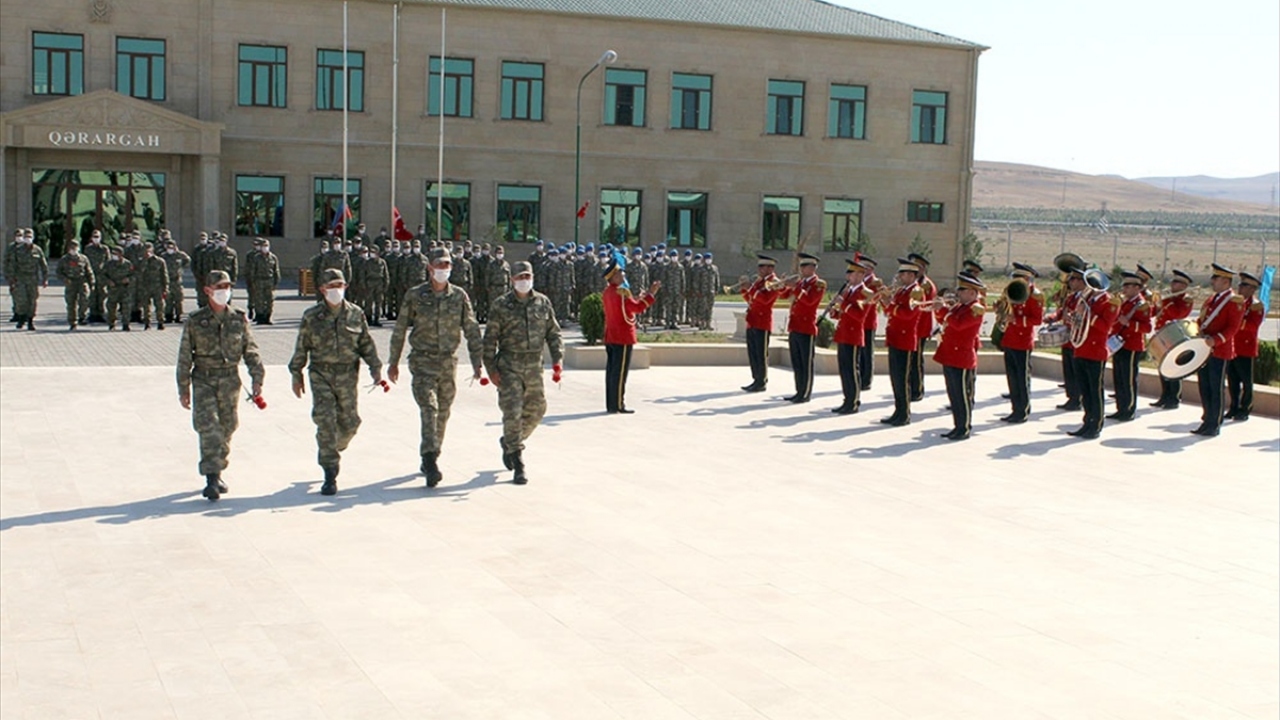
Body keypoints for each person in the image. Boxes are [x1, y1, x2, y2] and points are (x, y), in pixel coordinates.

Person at [388, 249, 484, 487]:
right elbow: (400, 328)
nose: (444, 269)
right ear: (430, 268)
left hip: (448, 363)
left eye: (447, 264)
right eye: (439, 265)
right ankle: (430, 459)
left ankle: (432, 452)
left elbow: (471, 329)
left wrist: (477, 362)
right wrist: (393, 362)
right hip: (422, 361)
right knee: (429, 408)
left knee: (443, 412)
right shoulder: (415, 295)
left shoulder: (459, 296)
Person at [288, 269, 383, 495]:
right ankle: (330, 472)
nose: (336, 290)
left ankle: (333, 446)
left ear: (345, 287)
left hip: (347, 375)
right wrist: (296, 373)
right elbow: (302, 346)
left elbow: (365, 343)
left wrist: (376, 368)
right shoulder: (312, 316)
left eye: (339, 285)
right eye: (331, 286)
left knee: (351, 423)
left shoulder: (355, 313)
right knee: (326, 421)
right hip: (321, 374)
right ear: (322, 290)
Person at [176, 270, 264, 501]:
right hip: (204, 379)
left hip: (230, 380)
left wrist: (257, 378)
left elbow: (250, 350)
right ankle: (211, 478)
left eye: (227, 287)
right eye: (219, 287)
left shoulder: (238, 318)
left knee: (228, 426)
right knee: (209, 427)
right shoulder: (196, 320)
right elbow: (185, 356)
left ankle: (218, 468)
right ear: (208, 291)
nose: (224, 291)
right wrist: (183, 388)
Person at [482, 262, 564, 485]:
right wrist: (490, 369)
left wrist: (557, 359)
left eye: (527, 276)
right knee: (512, 411)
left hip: (534, 366)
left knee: (537, 409)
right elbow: (489, 340)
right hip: (509, 365)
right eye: (520, 277)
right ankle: (518, 461)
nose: (524, 280)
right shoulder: (501, 305)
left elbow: (553, 333)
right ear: (512, 280)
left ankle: (509, 441)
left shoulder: (542, 302)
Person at [1192, 263, 1245, 437]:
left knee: (1216, 387)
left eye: (1216, 278)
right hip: (1205, 349)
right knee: (1204, 386)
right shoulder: (1211, 299)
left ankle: (1214, 423)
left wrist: (1215, 340)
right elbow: (1202, 320)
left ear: (1225, 281)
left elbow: (1233, 328)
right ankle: (1207, 419)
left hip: (1220, 350)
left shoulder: (1234, 301)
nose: (1212, 281)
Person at [602, 258, 660, 414]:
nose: (623, 275)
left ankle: (611, 404)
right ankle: (618, 405)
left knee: (611, 372)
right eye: (620, 272)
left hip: (611, 336)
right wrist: (650, 294)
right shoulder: (622, 293)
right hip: (622, 337)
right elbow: (637, 308)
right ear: (614, 276)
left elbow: (627, 308)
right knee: (620, 373)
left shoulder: (607, 292)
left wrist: (636, 298)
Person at [932, 273, 987, 440]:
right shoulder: (960, 307)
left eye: (962, 291)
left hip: (962, 355)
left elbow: (959, 325)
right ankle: (957, 426)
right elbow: (944, 321)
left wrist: (944, 310)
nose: (959, 293)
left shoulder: (975, 309)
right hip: (950, 353)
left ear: (972, 293)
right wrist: (938, 310)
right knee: (953, 394)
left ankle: (964, 427)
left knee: (962, 395)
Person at [1066, 268, 1118, 439]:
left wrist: (1088, 314)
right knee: (1085, 390)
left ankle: (1096, 424)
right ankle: (1087, 421)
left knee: (1095, 390)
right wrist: (1074, 318)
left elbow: (1105, 326)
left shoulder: (1110, 302)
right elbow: (1079, 320)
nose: (1091, 287)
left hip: (1096, 350)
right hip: (1081, 348)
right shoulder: (1086, 299)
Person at [878, 258, 925, 426]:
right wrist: (885, 301)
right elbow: (891, 312)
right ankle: (898, 411)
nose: (900, 277)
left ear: (911, 275)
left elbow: (908, 315)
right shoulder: (901, 291)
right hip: (895, 337)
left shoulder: (916, 292)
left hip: (905, 338)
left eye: (903, 274)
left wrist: (890, 306)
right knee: (895, 378)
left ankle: (904, 414)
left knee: (902, 379)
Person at [995, 263, 1044, 423]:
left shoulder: (1035, 296)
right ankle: (1015, 409)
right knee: (1012, 377)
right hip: (1010, 339)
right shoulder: (1011, 291)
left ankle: (1022, 410)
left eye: (1020, 278)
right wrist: (1000, 309)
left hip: (1023, 341)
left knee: (1022, 378)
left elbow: (1037, 320)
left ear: (1028, 279)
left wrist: (1016, 320)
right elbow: (1006, 307)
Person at [778, 252, 827, 403]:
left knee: (806, 363)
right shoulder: (801, 283)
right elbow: (783, 295)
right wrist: (782, 285)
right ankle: (798, 391)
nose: (801, 269)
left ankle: (805, 393)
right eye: (801, 266)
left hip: (806, 327)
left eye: (805, 266)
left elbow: (810, 301)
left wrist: (795, 288)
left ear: (813, 268)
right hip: (795, 326)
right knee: (797, 362)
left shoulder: (818, 284)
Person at [828, 258, 875, 414]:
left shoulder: (866, 293)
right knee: (844, 369)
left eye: (853, 274)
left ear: (861, 275)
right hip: (843, 333)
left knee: (852, 370)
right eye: (849, 274)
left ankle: (853, 401)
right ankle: (847, 399)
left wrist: (843, 304)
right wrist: (834, 311)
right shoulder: (849, 290)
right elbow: (844, 313)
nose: (849, 277)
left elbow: (860, 316)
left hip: (853, 334)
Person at [1107, 272, 1152, 421]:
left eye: (1128, 286)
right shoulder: (1125, 302)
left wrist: (1129, 323)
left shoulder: (1142, 305)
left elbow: (1147, 328)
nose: (1124, 288)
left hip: (1132, 345)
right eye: (1124, 285)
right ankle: (1121, 408)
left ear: (1137, 288)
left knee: (1128, 379)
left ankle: (1129, 409)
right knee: (1119, 378)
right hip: (1119, 344)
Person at [1150, 269, 1195, 408]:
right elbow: (1155, 312)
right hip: (1162, 334)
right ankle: (1165, 395)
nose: (1172, 285)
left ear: (1183, 285)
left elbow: (1179, 314)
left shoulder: (1185, 300)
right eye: (1173, 282)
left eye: (1176, 282)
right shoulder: (1169, 298)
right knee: (1162, 366)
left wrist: (1167, 302)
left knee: (1174, 367)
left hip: (1175, 335)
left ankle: (1174, 398)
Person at [740, 254, 783, 392]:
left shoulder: (774, 282)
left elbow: (765, 300)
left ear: (770, 268)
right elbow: (751, 300)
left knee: (761, 353)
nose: (759, 269)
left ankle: (761, 380)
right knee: (753, 353)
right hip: (752, 320)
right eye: (759, 266)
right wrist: (744, 290)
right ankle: (755, 379)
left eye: (762, 267)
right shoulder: (760, 281)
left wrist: (751, 289)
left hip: (762, 321)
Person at [1226, 271, 1265, 423]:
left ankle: (1245, 408)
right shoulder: (1236, 302)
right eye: (1240, 284)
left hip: (1245, 347)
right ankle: (1234, 407)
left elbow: (1252, 326)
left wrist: (1236, 321)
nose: (1240, 288)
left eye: (1244, 285)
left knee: (1246, 381)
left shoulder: (1255, 306)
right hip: (1233, 346)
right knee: (1233, 380)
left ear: (1252, 289)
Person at [907, 252, 936, 401]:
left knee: (916, 360)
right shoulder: (915, 283)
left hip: (920, 327)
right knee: (910, 360)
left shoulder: (925, 285)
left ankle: (917, 390)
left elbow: (922, 306)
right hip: (912, 327)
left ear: (923, 268)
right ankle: (911, 387)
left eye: (917, 267)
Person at [8, 229, 48, 331]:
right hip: (20, 278)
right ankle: (21, 318)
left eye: (30, 237)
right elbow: (12, 264)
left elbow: (43, 265)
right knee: (22, 299)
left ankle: (30, 320)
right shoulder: (18, 250)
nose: (28, 239)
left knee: (32, 300)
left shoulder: (37, 250)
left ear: (33, 237)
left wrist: (45, 278)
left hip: (33, 279)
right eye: (26, 237)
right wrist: (11, 279)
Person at [55, 238, 94, 330]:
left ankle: (82, 316)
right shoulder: (64, 259)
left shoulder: (83, 258)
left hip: (82, 281)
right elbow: (58, 272)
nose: (73, 249)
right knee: (71, 303)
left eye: (75, 247)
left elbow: (89, 271)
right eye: (71, 247)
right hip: (70, 283)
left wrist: (92, 283)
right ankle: (73, 322)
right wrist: (65, 279)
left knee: (85, 300)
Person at [858, 256, 881, 390]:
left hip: (868, 320)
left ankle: (866, 380)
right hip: (859, 321)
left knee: (867, 351)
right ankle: (860, 376)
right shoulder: (861, 281)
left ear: (870, 269)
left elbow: (874, 300)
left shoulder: (874, 282)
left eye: (864, 268)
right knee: (860, 351)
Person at [135, 242, 169, 330]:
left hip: (157, 287)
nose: (147, 252)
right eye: (145, 250)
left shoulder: (159, 261)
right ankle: (147, 323)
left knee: (159, 306)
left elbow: (164, 275)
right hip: (145, 287)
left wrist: (165, 288)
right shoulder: (140, 261)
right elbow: (138, 274)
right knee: (146, 306)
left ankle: (160, 322)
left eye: (149, 249)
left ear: (152, 250)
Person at [102, 245, 135, 331]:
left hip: (125, 289)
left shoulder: (127, 264)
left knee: (126, 307)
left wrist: (128, 279)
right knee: (111, 307)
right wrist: (108, 281)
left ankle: (126, 324)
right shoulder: (108, 264)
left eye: (116, 253)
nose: (114, 255)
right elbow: (102, 275)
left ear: (121, 254)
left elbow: (133, 275)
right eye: (113, 253)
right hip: (113, 289)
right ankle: (111, 324)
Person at [248, 238, 281, 324]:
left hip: (269, 280)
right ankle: (260, 317)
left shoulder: (273, 258)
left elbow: (276, 270)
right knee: (259, 300)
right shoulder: (257, 258)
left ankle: (268, 317)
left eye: (266, 246)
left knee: (269, 300)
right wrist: (252, 282)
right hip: (259, 280)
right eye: (263, 246)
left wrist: (276, 282)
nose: (265, 248)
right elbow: (253, 271)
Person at [162, 238, 191, 324]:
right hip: (168, 281)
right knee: (168, 300)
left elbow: (188, 260)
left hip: (177, 280)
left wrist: (182, 267)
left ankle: (178, 316)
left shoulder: (179, 255)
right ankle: (168, 316)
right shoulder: (164, 256)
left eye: (171, 247)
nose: (170, 249)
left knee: (178, 299)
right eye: (168, 247)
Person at [84, 230, 110, 323]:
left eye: (97, 237)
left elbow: (108, 261)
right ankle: (92, 314)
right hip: (91, 275)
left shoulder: (104, 249)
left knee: (102, 294)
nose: (96, 239)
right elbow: (85, 261)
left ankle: (101, 314)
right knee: (92, 295)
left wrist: (107, 274)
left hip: (101, 275)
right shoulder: (88, 249)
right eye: (94, 237)